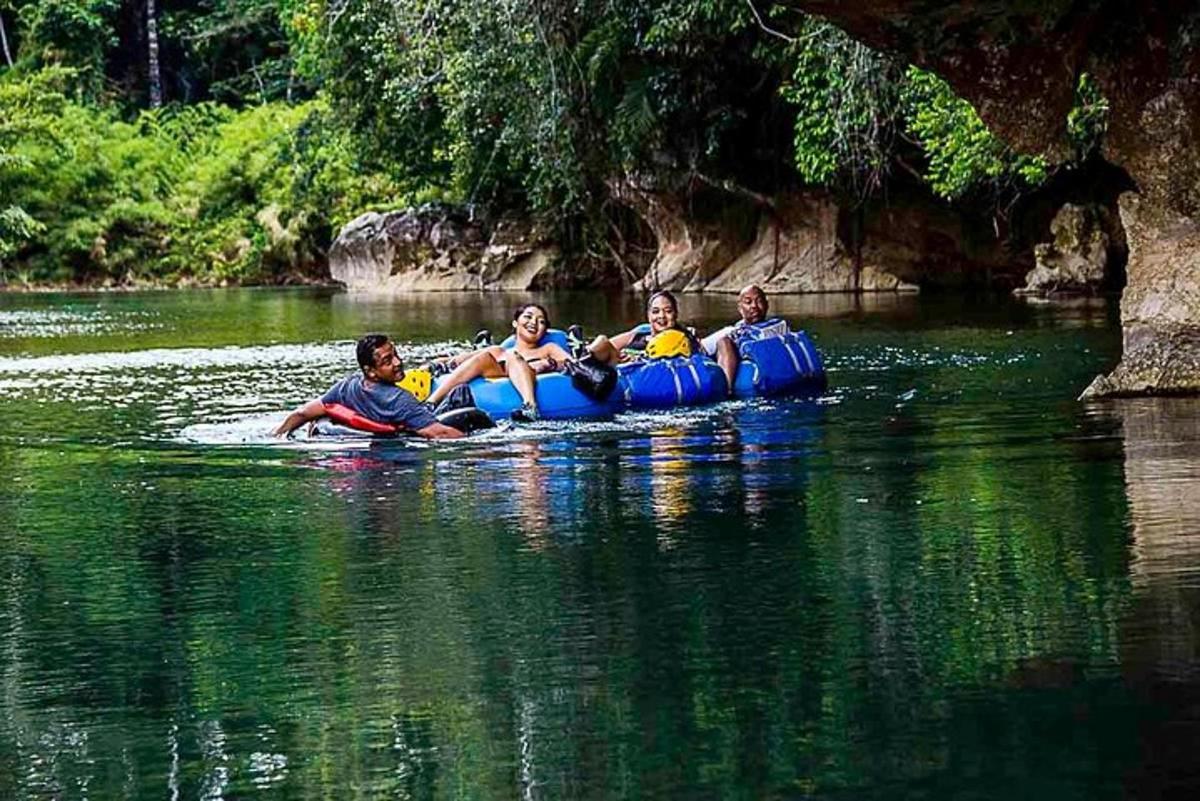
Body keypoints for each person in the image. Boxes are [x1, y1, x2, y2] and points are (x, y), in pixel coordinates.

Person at [274, 334, 464, 439]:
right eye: (388, 361)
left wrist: (277, 435)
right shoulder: (399, 399)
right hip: (409, 434)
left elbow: (302, 413)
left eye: (396, 354)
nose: (398, 362)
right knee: (460, 393)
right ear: (371, 371)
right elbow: (439, 433)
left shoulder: (349, 387)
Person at [425, 303, 572, 421]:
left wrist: (549, 364)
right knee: (486, 356)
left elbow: (572, 364)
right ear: (515, 323)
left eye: (541, 322)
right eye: (528, 317)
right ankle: (430, 404)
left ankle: (530, 407)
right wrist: (430, 366)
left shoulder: (548, 349)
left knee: (513, 356)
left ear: (545, 330)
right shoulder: (499, 351)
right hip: (497, 377)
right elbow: (456, 360)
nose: (534, 322)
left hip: (531, 377)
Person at [700, 284, 790, 388]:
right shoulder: (734, 330)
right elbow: (701, 347)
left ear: (767, 305)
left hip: (761, 376)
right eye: (748, 302)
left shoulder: (778, 326)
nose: (754, 306)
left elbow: (701, 348)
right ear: (740, 308)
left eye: (759, 301)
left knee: (723, 342)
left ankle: (727, 390)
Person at [587, 290, 702, 366]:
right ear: (649, 316)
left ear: (675, 314)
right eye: (655, 312)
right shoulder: (637, 335)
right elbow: (608, 346)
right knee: (602, 341)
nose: (661, 316)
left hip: (639, 378)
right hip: (618, 367)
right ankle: (580, 359)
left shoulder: (684, 340)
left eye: (668, 311)